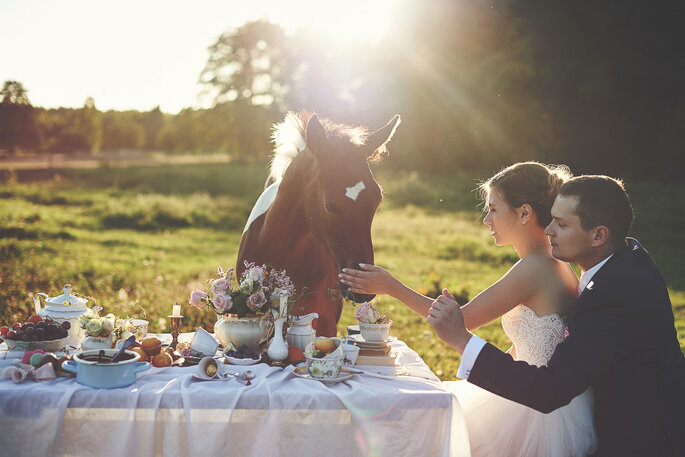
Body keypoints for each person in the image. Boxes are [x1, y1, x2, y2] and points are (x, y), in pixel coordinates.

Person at [340, 162, 597, 456]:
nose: (486, 219)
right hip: (532, 388)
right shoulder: (547, 261)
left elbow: (463, 320)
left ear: (524, 213)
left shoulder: (536, 266)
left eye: (493, 209)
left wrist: (391, 287)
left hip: (538, 412)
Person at [428, 175, 685, 456]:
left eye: (562, 225)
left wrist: (462, 340)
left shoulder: (611, 298)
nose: (548, 230)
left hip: (639, 441)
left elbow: (550, 390)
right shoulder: (628, 256)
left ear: (599, 235)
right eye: (552, 219)